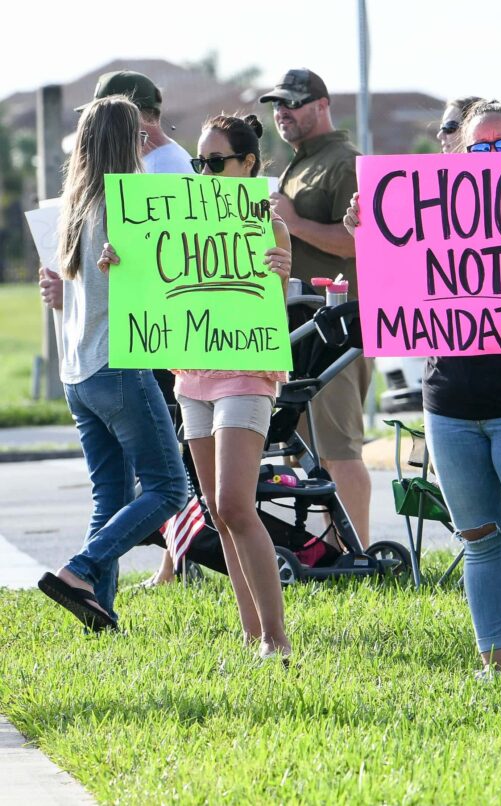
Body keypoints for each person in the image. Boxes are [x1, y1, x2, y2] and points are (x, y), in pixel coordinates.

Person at [343, 101, 501, 677]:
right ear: (458, 155)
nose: (491, 158)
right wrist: (368, 230)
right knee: (480, 539)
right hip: (450, 405)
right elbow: (396, 279)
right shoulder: (429, 213)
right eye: (479, 147)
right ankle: (496, 665)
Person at [101, 114, 295, 659]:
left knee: (236, 503)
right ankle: (251, 632)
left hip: (245, 373)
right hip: (192, 374)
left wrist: (281, 270)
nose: (204, 172)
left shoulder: (268, 224)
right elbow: (150, 283)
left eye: (215, 163)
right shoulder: (176, 220)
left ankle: (276, 638)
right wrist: (120, 264)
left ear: (248, 165)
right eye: (198, 163)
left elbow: (270, 313)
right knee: (215, 506)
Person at [36, 96, 187, 632]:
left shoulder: (71, 209)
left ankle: (98, 610)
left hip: (78, 373)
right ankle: (79, 571)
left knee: (112, 496)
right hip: (118, 365)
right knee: (170, 488)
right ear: (131, 143)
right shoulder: (128, 205)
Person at [259, 69, 373, 546]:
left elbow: (358, 242)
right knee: (301, 446)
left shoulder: (345, 162)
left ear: (322, 105)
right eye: (277, 105)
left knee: (338, 447)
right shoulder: (300, 162)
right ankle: (328, 548)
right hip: (300, 319)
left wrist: (294, 221)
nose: (282, 113)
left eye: (293, 103)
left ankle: (361, 549)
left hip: (338, 320)